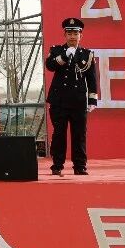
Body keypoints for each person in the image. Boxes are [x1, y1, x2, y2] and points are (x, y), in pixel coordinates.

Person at [45, 16, 99, 176]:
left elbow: (92, 79)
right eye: (69, 33)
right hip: (59, 100)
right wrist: (64, 56)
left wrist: (92, 100)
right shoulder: (56, 50)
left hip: (78, 101)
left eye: (76, 34)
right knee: (59, 134)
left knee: (79, 134)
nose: (72, 37)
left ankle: (80, 166)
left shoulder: (87, 54)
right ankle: (57, 165)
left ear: (81, 35)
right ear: (65, 35)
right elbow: (50, 66)